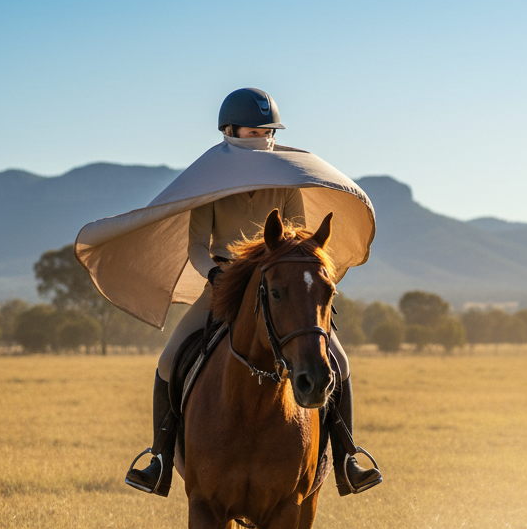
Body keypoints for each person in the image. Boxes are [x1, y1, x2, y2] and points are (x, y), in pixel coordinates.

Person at [124, 87, 382, 500]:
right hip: (224, 283)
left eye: (267, 131)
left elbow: (297, 237)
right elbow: (196, 245)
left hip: (279, 285)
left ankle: (348, 458)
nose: (262, 137)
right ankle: (159, 460)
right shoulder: (208, 182)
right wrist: (214, 274)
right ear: (230, 131)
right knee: (169, 361)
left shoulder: (288, 178)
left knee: (340, 362)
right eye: (253, 130)